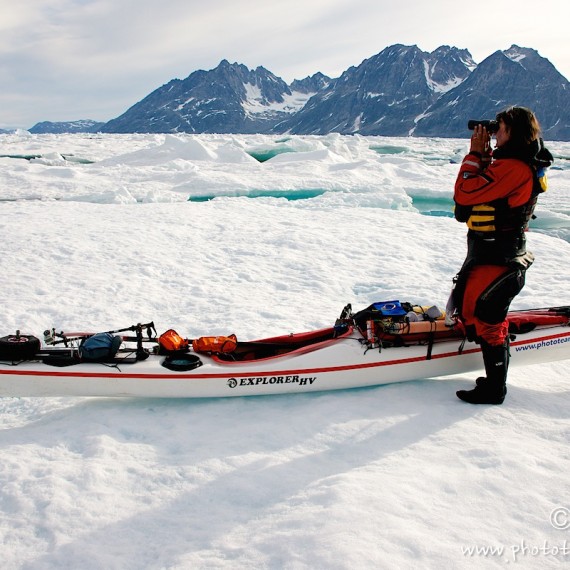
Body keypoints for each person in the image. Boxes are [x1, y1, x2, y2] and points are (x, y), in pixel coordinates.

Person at [450, 106, 553, 405]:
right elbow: (467, 207)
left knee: (487, 319)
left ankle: (495, 389)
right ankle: (493, 380)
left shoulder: (515, 168)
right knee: (473, 312)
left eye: (501, 129)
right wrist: (483, 157)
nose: (495, 134)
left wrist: (473, 155)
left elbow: (465, 193)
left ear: (515, 133)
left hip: (499, 258)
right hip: (490, 253)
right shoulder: (510, 163)